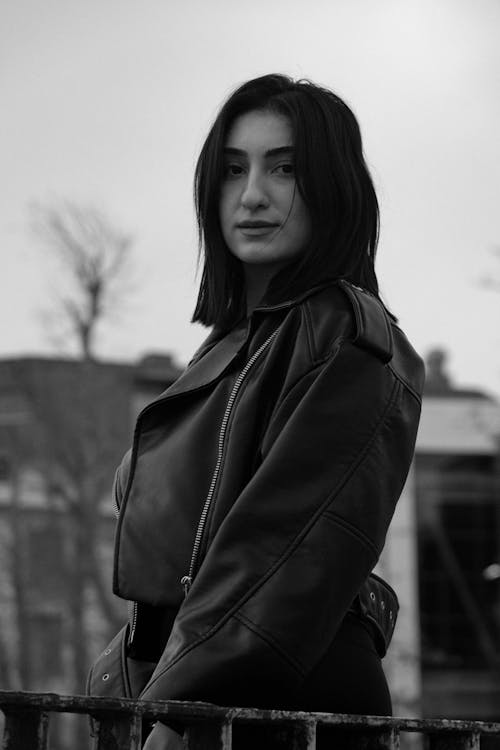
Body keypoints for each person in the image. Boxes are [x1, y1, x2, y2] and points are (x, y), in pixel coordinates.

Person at [88, 74, 425, 750]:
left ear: (333, 188)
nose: (252, 196)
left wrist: (180, 714)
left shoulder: (347, 335)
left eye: (286, 169)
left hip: (274, 697)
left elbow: (284, 549)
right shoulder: (228, 350)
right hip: (200, 692)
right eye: (233, 170)